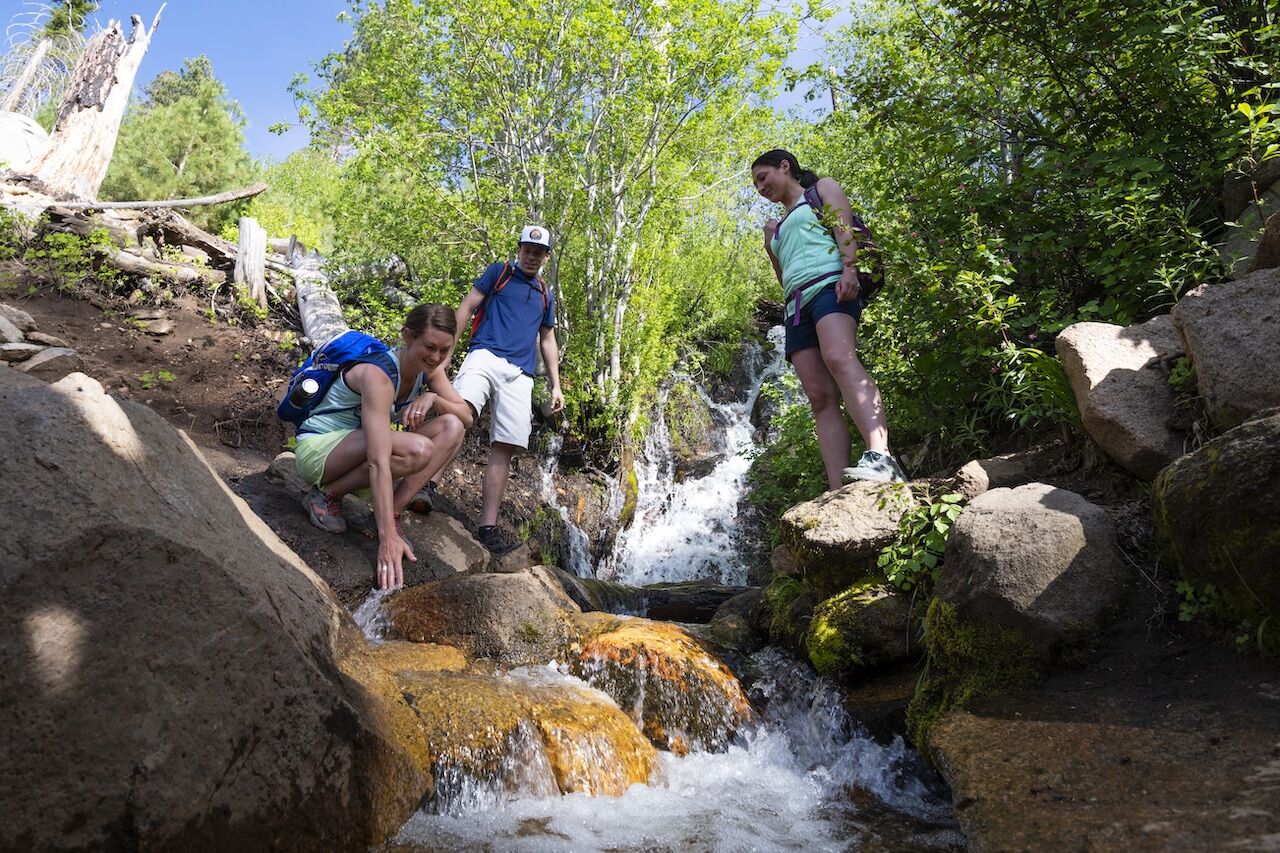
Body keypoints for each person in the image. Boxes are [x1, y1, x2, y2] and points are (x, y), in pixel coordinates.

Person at [750, 148, 906, 488]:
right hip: (795, 306)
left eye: (763, 178)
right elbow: (783, 274)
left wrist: (849, 270)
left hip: (830, 287)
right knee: (819, 396)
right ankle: (838, 488)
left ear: (784, 166)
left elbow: (843, 230)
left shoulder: (821, 190)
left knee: (840, 358)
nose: (761, 189)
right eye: (756, 185)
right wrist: (770, 240)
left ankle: (882, 456)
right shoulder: (773, 228)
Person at [294, 303, 473, 589]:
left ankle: (390, 512)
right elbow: (378, 460)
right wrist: (387, 539)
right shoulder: (378, 375)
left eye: (444, 350)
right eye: (429, 347)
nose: (436, 357)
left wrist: (434, 399)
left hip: (357, 448)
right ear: (407, 336)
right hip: (320, 451)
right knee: (419, 449)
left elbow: (466, 416)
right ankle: (326, 495)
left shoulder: (430, 371)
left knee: (452, 427)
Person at [453, 225, 564, 555]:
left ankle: (487, 527)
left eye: (538, 252)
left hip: (520, 373)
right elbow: (467, 306)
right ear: (519, 250)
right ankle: (425, 486)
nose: (531, 256)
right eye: (527, 250)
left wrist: (555, 385)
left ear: (546, 256)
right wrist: (446, 351)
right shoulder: (498, 273)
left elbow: (547, 338)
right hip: (484, 354)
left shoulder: (545, 293)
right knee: (459, 413)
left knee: (506, 445)